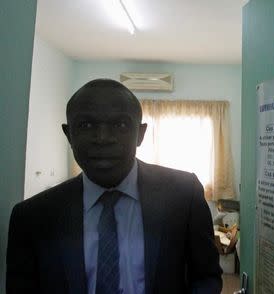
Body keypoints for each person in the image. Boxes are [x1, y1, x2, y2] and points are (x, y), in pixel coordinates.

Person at [6, 79, 222, 294]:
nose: (103, 138)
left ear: (140, 134)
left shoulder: (184, 195)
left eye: (120, 124)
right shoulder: (32, 217)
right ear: (69, 135)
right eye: (86, 125)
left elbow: (206, 277)